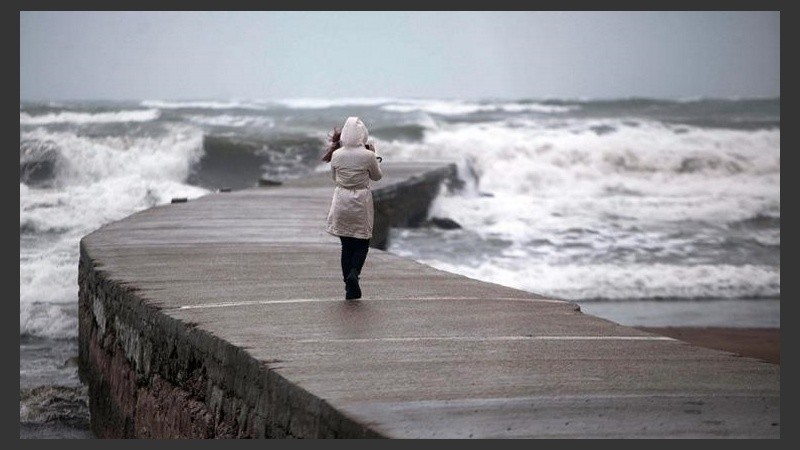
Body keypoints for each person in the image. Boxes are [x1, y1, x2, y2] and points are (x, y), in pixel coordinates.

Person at [324, 117, 383, 300]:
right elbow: (377, 177)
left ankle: (348, 286)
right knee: (362, 243)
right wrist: (376, 156)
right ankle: (354, 274)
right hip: (360, 201)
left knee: (346, 245)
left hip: (341, 200)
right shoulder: (368, 156)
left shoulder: (337, 155)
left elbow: (335, 177)